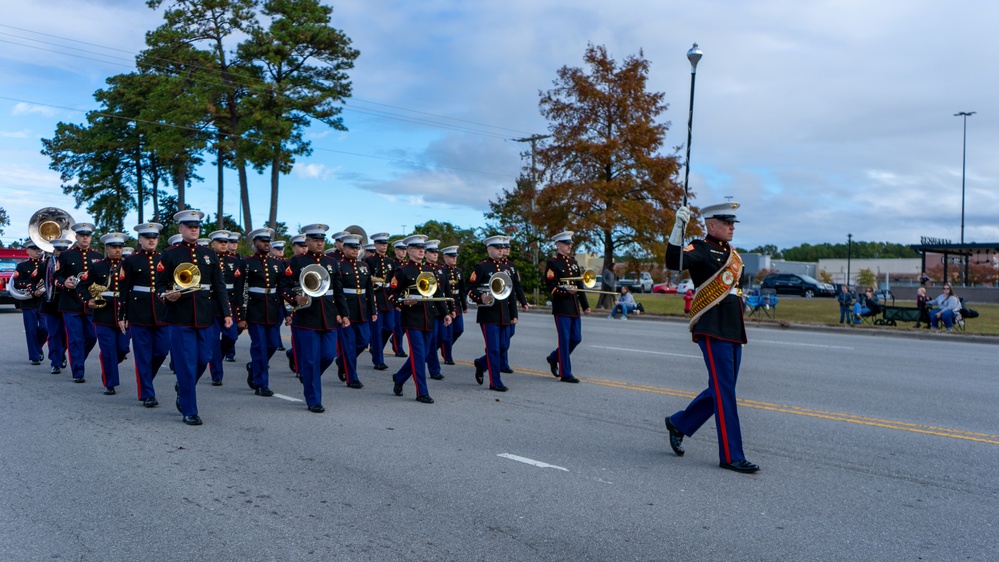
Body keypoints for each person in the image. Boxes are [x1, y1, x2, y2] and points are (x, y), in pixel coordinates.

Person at [663, 202, 760, 474]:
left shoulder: (732, 254)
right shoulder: (701, 248)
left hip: (732, 328)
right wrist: (677, 230)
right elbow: (674, 262)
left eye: (733, 223)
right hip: (712, 327)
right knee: (725, 391)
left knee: (721, 389)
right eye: (726, 222)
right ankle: (731, 455)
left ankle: (680, 423)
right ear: (710, 224)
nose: (731, 227)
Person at [157, 209, 232, 425]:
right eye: (189, 226)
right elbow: (160, 285)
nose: (193, 229)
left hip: (205, 316)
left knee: (204, 358)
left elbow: (219, 285)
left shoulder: (209, 254)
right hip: (180, 317)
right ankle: (190, 410)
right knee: (186, 363)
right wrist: (167, 295)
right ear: (181, 229)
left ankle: (183, 385)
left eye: (197, 226)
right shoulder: (170, 254)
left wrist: (226, 312)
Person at [280, 223, 348, 412]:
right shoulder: (297, 261)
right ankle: (314, 399)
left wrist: (344, 314)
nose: (319, 243)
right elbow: (283, 287)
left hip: (328, 315)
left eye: (321, 240)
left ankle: (308, 376)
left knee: (328, 355)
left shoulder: (332, 262)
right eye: (315, 240)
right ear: (307, 241)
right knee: (310, 360)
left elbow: (339, 291)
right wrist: (295, 298)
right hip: (307, 317)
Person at [387, 234, 452, 404]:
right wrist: (403, 301)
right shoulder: (402, 271)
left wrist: (445, 312)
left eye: (423, 248)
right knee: (418, 354)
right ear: (409, 250)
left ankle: (399, 378)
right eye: (417, 248)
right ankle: (422, 392)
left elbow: (437, 293)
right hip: (412, 318)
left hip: (428, 317)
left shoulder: (429, 271)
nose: (421, 250)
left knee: (421, 355)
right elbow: (392, 294)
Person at [117, 222, 169, 408]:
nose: (151, 240)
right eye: (147, 237)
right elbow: (123, 290)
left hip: (162, 311)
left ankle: (145, 379)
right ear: (140, 240)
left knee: (162, 351)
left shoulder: (165, 258)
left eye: (154, 237)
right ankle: (147, 392)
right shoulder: (130, 261)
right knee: (143, 355)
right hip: (139, 312)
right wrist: (122, 314)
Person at [77, 232, 130, 395]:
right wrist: (88, 301)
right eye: (114, 247)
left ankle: (111, 364)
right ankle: (110, 383)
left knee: (122, 349)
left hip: (124, 313)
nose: (118, 250)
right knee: (107, 350)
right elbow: (81, 286)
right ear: (107, 248)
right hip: (103, 313)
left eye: (120, 247)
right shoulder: (97, 266)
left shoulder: (129, 265)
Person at [467, 235, 518, 392]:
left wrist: (514, 314)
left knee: (503, 346)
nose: (501, 250)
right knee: (494, 349)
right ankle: (495, 382)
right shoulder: (482, 267)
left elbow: (512, 293)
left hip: (505, 313)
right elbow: (469, 289)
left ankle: (481, 364)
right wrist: (481, 296)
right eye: (497, 248)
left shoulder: (507, 269)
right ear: (489, 249)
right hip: (488, 314)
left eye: (502, 248)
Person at [56, 222, 102, 383]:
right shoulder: (66, 255)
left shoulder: (97, 257)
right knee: (75, 338)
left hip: (89, 303)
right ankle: (78, 371)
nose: (85, 237)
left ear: (90, 237)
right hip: (71, 302)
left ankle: (78, 359)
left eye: (87, 235)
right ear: (76, 236)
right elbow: (56, 276)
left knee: (91, 337)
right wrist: (64, 282)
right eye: (82, 235)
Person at [241, 228, 283, 397]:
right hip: (254, 309)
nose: (266, 244)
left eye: (268, 241)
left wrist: (287, 314)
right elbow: (242, 291)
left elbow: (281, 290)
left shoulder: (276, 264)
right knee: (259, 347)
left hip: (272, 309)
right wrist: (241, 316)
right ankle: (261, 384)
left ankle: (253, 366)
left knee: (273, 344)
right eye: (262, 241)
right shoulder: (247, 262)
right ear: (255, 243)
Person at [544, 231, 590, 384]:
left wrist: (585, 306)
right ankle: (566, 373)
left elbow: (579, 285)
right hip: (562, 307)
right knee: (564, 340)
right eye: (566, 244)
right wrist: (564, 291)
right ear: (558, 245)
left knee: (576, 338)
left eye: (570, 244)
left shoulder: (573, 263)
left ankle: (554, 357)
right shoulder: (553, 264)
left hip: (574, 307)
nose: (569, 246)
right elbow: (551, 287)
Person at [335, 233, 376, 389]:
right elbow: (337, 292)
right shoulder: (338, 265)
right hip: (347, 310)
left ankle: (341, 360)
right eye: (351, 247)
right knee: (349, 346)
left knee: (364, 340)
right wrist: (340, 312)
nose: (355, 250)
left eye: (357, 247)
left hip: (362, 310)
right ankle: (352, 378)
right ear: (344, 248)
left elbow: (369, 290)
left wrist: (373, 309)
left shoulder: (364, 266)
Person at [13, 240, 48, 366]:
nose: (37, 251)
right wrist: (30, 285)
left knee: (45, 328)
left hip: (43, 301)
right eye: (33, 249)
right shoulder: (22, 266)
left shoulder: (46, 265)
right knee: (31, 330)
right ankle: (34, 356)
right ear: (27, 251)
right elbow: (17, 283)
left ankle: (37, 348)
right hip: (28, 302)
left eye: (39, 248)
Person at [365, 232, 395, 371]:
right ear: (375, 245)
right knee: (376, 331)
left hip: (387, 298)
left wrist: (394, 294)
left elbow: (394, 280)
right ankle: (378, 360)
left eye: (385, 244)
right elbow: (367, 282)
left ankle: (376, 348)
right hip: (376, 297)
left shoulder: (390, 262)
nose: (384, 246)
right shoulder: (370, 261)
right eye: (381, 244)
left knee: (390, 327)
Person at [40, 238, 71, 374]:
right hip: (50, 304)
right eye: (59, 250)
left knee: (65, 334)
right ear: (54, 250)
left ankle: (61, 353)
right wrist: (36, 288)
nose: (61, 253)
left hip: (67, 303)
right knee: (53, 334)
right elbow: (32, 280)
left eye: (64, 250)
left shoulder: (71, 264)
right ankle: (55, 361)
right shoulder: (45, 265)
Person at [440, 245, 466, 365]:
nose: (454, 259)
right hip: (446, 302)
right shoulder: (441, 271)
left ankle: (444, 346)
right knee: (448, 333)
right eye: (451, 257)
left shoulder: (459, 272)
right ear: (445, 257)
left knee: (459, 329)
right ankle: (447, 356)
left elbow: (462, 290)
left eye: (455, 256)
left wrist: (464, 305)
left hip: (456, 303)